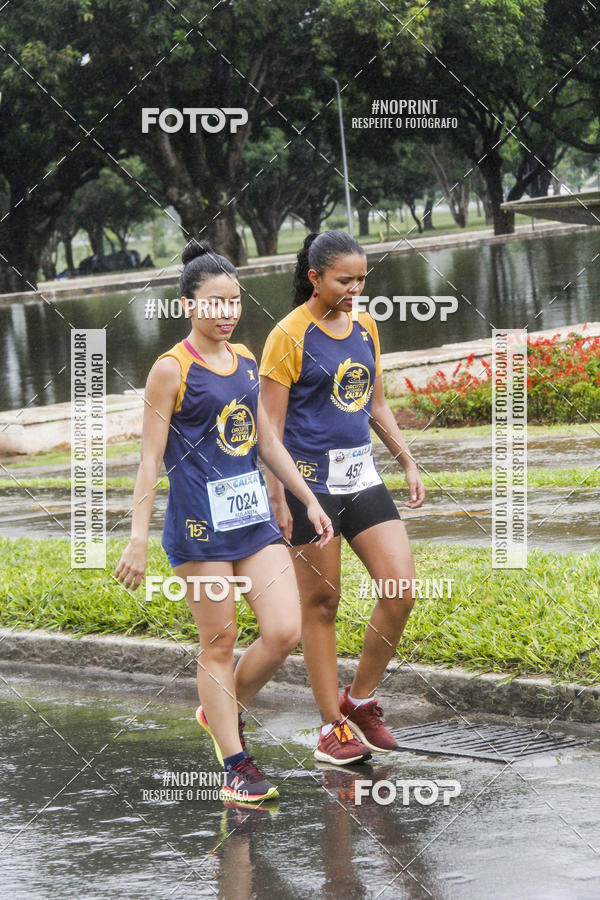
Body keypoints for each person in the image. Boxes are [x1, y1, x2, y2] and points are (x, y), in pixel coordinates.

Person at [114, 239, 332, 802]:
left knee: (283, 632)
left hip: (253, 520)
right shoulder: (171, 369)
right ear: (188, 305)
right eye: (214, 302)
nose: (227, 312)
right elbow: (148, 461)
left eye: (234, 301)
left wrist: (306, 498)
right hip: (199, 529)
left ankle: (221, 711)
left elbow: (267, 442)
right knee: (220, 640)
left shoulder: (246, 361)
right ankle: (236, 764)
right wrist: (137, 539)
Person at [259, 230, 425, 765]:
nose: (355, 290)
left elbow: (375, 404)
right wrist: (280, 500)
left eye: (361, 280)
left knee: (400, 589)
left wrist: (405, 459)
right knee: (321, 605)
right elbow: (269, 431)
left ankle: (360, 699)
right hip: (309, 488)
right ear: (315, 277)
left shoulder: (366, 326)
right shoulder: (288, 335)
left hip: (361, 478)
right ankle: (331, 725)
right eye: (344, 281)